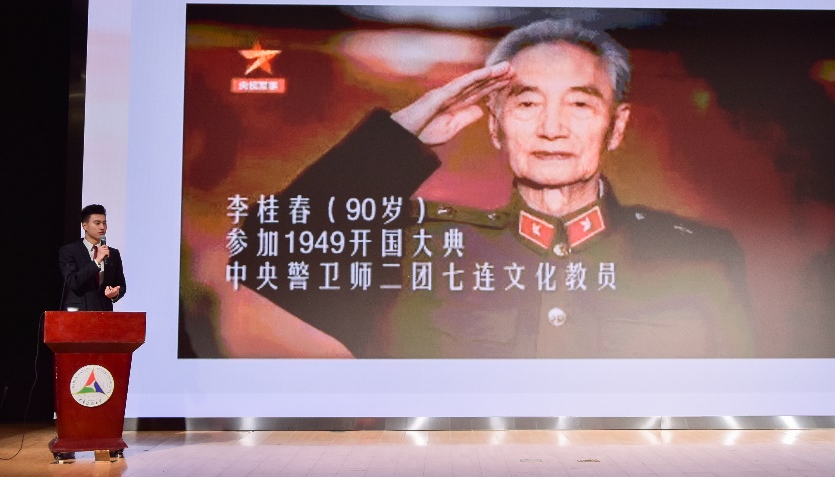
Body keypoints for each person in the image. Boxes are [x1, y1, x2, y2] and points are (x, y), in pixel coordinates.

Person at [225, 18, 752, 359]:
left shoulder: (700, 257)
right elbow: (263, 249)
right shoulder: (416, 250)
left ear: (616, 126)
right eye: (527, 103)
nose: (551, 128)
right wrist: (402, 133)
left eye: (579, 104)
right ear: (496, 126)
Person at [59, 204, 126, 311]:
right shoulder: (69, 251)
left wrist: (115, 293)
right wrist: (96, 261)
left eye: (104, 223)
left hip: (104, 311)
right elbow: (73, 283)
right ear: (85, 226)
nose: (102, 227)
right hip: (77, 311)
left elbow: (121, 284)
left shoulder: (113, 253)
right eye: (97, 223)